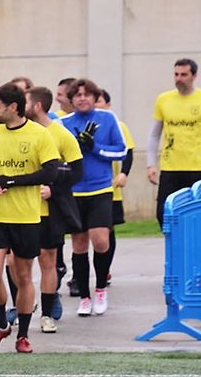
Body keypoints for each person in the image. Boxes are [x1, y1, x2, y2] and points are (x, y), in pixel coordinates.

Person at [0, 83, 64, 353]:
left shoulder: (39, 134)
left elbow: (50, 172)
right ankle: (1, 325)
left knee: (23, 276)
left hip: (26, 217)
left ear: (13, 107)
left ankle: (23, 335)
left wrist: (11, 181)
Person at [59, 78, 127, 316]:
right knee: (78, 243)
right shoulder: (64, 123)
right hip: (74, 191)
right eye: (77, 95)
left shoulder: (107, 118)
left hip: (100, 189)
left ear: (95, 97)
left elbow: (121, 151)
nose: (82, 98)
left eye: (86, 94)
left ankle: (100, 289)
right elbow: (56, 157)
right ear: (71, 99)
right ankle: (84, 297)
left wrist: (94, 147)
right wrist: (75, 151)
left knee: (100, 240)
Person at [27, 85, 83, 332]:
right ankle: (21, 306)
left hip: (49, 212)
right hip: (20, 209)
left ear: (37, 105)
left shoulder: (61, 135)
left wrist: (53, 189)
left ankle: (47, 313)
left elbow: (77, 172)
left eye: (25, 102)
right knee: (15, 261)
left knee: (48, 260)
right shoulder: (19, 132)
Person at [148, 58, 201, 231]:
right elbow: (154, 134)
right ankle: (173, 244)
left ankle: (191, 245)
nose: (179, 79)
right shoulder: (163, 99)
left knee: (195, 215)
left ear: (194, 76)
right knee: (164, 214)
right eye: (176, 74)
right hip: (170, 167)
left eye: (183, 75)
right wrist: (151, 164)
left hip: (195, 167)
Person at [97, 88, 134, 270]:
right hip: (84, 188)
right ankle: (78, 275)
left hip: (110, 188)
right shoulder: (80, 124)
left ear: (108, 105)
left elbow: (128, 152)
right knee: (81, 235)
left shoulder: (118, 125)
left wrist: (123, 173)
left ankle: (105, 270)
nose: (95, 105)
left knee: (107, 230)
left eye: (99, 101)